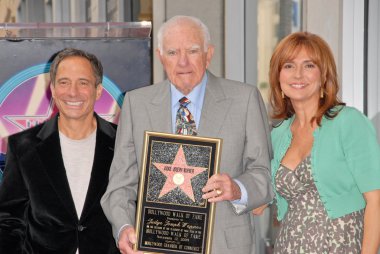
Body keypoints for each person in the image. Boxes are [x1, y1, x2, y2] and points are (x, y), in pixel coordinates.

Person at [101, 15, 273, 254]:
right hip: (156, 247)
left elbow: (264, 174)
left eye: (192, 51)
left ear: (209, 54)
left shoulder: (244, 100)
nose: (182, 63)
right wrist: (124, 227)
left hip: (225, 246)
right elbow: (120, 185)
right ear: (160, 56)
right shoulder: (136, 103)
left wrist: (237, 189)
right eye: (172, 53)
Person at [268, 32, 380, 253]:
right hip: (287, 246)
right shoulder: (278, 134)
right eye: (289, 66)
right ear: (278, 77)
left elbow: (376, 202)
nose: (298, 74)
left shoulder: (348, 122)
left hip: (341, 245)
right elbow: (262, 198)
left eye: (309, 65)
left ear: (324, 76)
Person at [0, 48, 119, 254]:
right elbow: (9, 219)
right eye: (64, 82)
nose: (72, 92)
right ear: (53, 89)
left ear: (98, 90)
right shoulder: (22, 146)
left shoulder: (124, 143)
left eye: (83, 82)